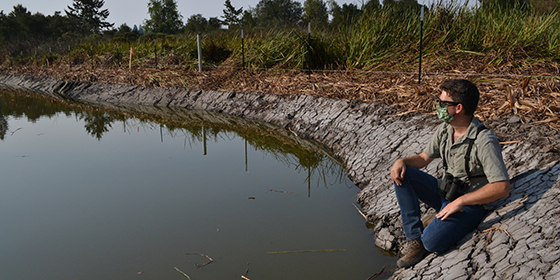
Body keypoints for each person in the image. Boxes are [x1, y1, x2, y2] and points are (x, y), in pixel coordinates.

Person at [390, 79, 510, 268]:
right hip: (446, 192)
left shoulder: (484, 141)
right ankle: (414, 239)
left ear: (459, 108)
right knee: (405, 174)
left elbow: (502, 187)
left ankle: (435, 228)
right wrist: (402, 161)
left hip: (470, 205)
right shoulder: (446, 129)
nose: (438, 107)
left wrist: (461, 201)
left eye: (442, 103)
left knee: (431, 242)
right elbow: (423, 158)